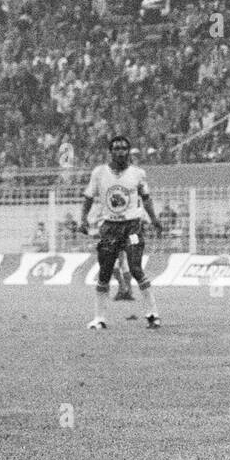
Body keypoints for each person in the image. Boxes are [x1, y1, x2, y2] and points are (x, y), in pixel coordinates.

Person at [79, 135, 163, 330]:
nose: (120, 151)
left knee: (135, 268)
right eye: (116, 148)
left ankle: (153, 315)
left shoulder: (138, 173)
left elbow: (146, 197)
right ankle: (99, 318)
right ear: (110, 152)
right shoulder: (99, 173)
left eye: (124, 148)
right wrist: (83, 219)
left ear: (128, 151)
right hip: (109, 227)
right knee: (105, 272)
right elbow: (88, 198)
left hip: (132, 227)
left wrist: (154, 219)